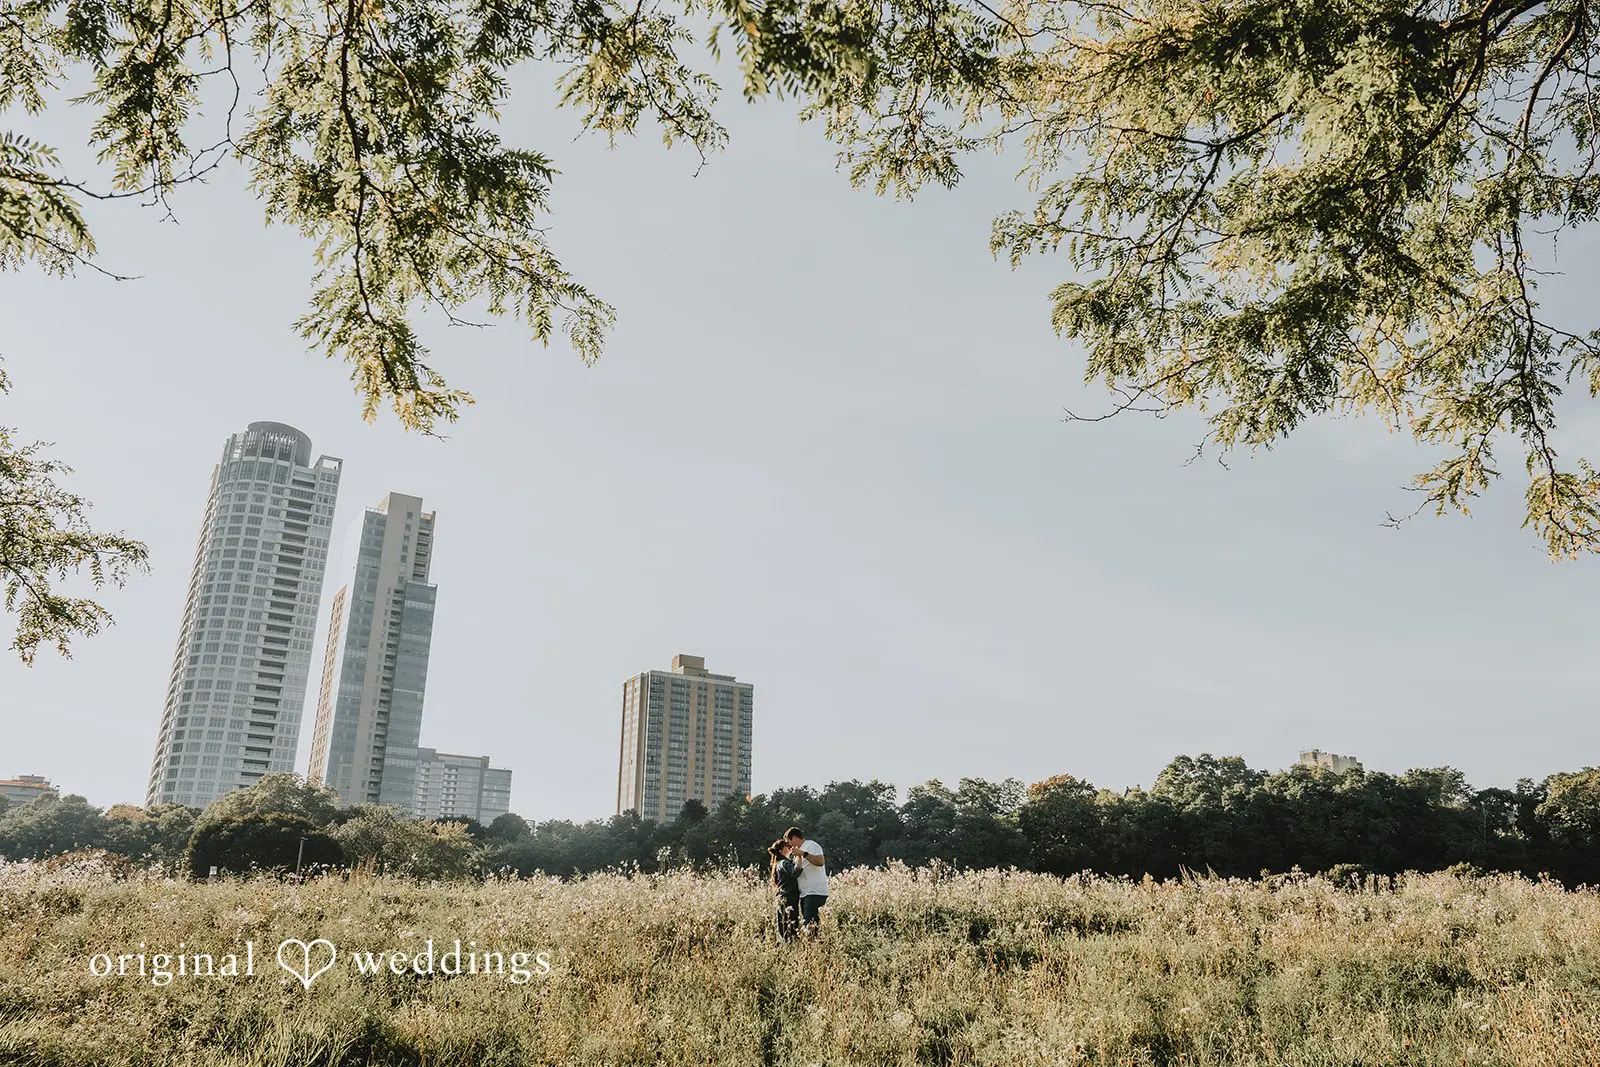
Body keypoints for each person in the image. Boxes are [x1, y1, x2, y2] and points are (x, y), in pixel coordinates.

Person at [785, 826, 827, 934]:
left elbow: (820, 861)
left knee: (810, 926)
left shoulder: (811, 845)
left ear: (793, 838)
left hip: (815, 892)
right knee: (809, 925)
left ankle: (813, 948)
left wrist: (804, 854)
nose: (788, 845)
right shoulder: (796, 854)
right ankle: (813, 948)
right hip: (805, 894)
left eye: (788, 842)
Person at [768, 838, 800, 941]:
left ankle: (785, 947)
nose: (790, 848)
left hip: (781, 897)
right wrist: (800, 857)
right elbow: (795, 873)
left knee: (783, 926)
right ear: (782, 849)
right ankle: (791, 947)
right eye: (787, 846)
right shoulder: (784, 863)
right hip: (789, 897)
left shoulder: (777, 863)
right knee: (791, 926)